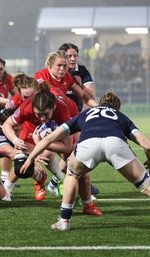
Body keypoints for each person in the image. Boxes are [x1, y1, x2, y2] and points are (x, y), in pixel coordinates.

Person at [19, 91, 150, 234]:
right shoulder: (119, 116)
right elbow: (147, 145)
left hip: (88, 144)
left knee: (72, 175)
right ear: (117, 108)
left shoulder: (87, 113)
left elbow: (49, 138)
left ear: (100, 103)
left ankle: (64, 221)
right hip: (116, 144)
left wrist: (30, 157)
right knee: (149, 187)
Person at [35, 50, 99, 200]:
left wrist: (98, 108)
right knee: (69, 155)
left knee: (73, 154)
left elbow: (83, 96)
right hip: (45, 121)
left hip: (65, 120)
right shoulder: (41, 77)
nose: (63, 69)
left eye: (65, 66)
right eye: (59, 65)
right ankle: (8, 186)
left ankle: (59, 182)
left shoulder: (67, 78)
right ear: (51, 64)